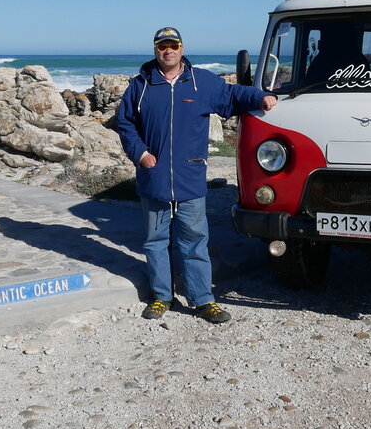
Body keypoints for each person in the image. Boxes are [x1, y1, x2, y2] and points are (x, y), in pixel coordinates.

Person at [115, 27, 278, 324]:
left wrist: (261, 96)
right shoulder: (140, 86)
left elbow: (232, 94)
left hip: (190, 177)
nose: (168, 50)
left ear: (181, 47)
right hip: (154, 177)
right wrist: (141, 154)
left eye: (173, 45)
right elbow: (125, 124)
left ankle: (203, 300)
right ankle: (162, 296)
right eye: (162, 46)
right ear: (155, 50)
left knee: (194, 241)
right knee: (155, 241)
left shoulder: (200, 82)